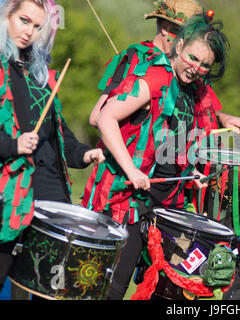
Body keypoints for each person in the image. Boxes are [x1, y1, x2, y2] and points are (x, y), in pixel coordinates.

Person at [81, 14, 230, 300]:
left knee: (167, 291)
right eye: (192, 58)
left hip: (167, 206)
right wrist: (131, 170)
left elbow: (178, 144)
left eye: (204, 65)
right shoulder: (155, 77)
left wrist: (193, 172)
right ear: (179, 45)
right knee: (113, 287)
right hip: (128, 201)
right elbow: (105, 117)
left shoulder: (195, 92)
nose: (196, 68)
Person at [0, 0, 104, 299]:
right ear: (5, 15)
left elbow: (58, 133)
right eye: (24, 21)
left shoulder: (38, 73)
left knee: (49, 290)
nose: (29, 32)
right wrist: (13, 145)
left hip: (50, 197)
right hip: (6, 190)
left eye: (38, 27)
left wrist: (85, 154)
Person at [89, 0, 240, 138]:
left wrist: (223, 118)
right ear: (165, 27)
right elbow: (98, 116)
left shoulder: (187, 69)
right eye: (185, 33)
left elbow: (193, 110)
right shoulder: (138, 60)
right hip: (135, 165)